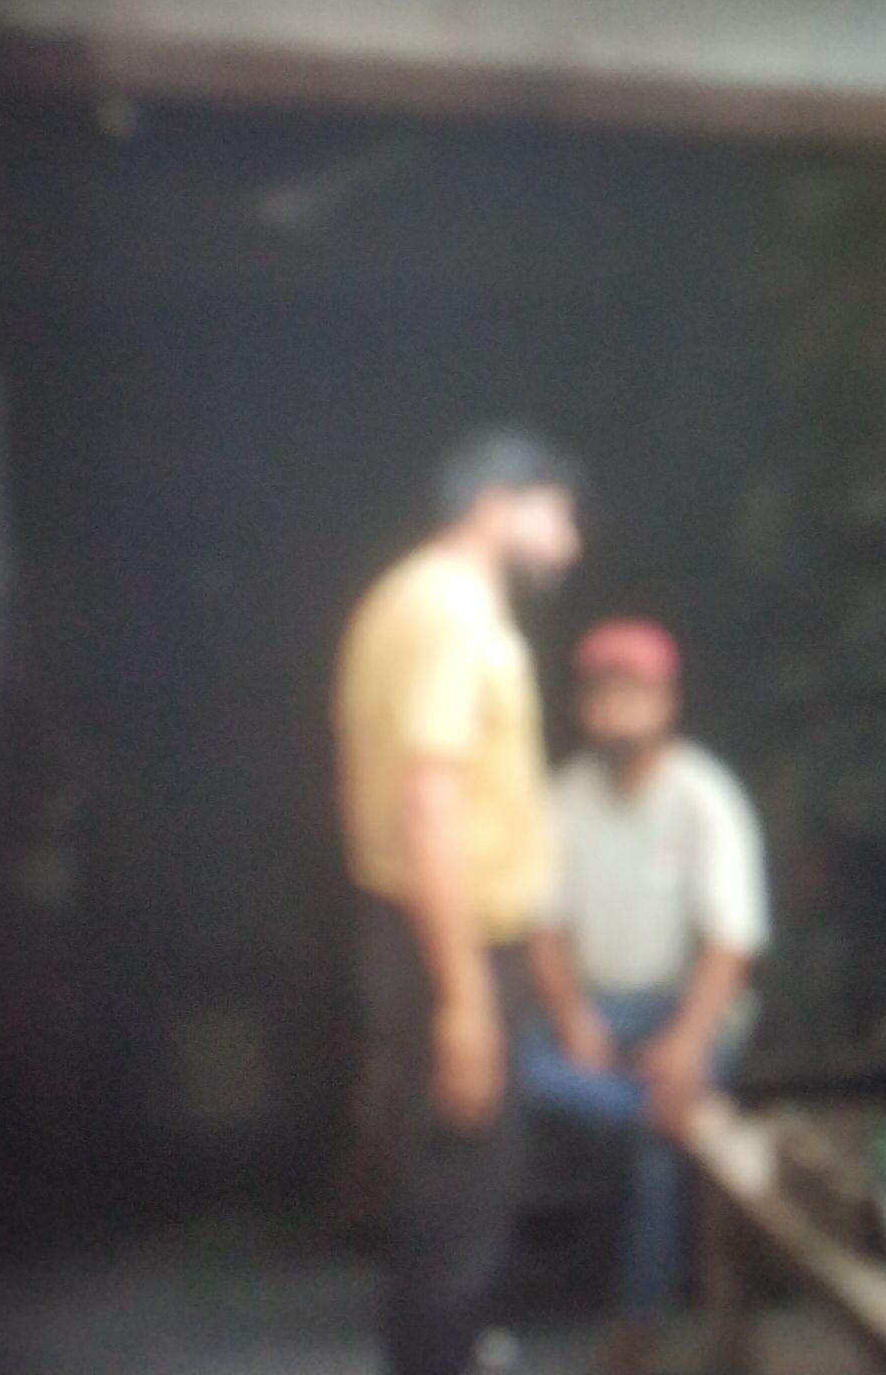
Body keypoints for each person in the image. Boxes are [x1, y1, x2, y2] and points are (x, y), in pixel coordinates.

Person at [333, 428, 583, 1375]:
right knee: (460, 1197)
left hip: (429, 937)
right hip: (454, 943)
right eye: (557, 514)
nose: (570, 541)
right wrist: (466, 1000)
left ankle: (442, 1349)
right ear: (494, 506)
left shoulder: (416, 600)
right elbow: (428, 804)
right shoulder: (448, 612)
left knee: (449, 1188)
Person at [524, 620, 769, 1375]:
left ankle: (639, 1324)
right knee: (510, 1070)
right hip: (599, 1007)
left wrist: (686, 1045)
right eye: (604, 697)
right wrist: (573, 1017)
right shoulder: (565, 796)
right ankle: (665, 1110)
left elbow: (733, 943)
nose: (619, 713)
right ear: (583, 709)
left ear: (667, 703)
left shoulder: (704, 795)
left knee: (658, 1149)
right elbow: (544, 929)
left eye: (635, 695)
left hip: (687, 1008)